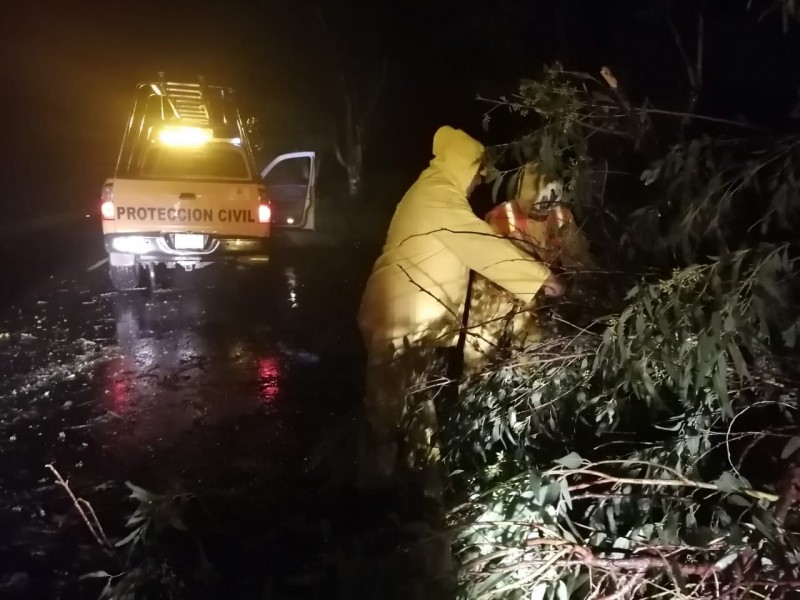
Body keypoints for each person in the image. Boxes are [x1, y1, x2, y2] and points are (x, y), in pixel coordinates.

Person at [356, 126, 564, 493]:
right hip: (398, 322)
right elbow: (479, 244)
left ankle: (415, 488)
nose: (479, 181)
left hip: (407, 323)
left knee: (413, 404)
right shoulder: (437, 196)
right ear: (460, 166)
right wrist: (541, 278)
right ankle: (386, 493)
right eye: (476, 171)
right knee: (390, 412)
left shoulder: (434, 193)